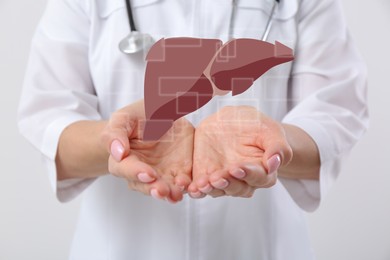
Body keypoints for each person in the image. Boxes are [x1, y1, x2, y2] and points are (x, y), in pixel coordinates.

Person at [18, 0, 368, 259]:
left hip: (260, 246)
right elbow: (49, 118)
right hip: (122, 247)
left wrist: (275, 141)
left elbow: (335, 113)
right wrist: (118, 141)